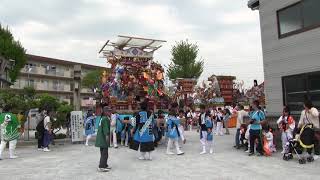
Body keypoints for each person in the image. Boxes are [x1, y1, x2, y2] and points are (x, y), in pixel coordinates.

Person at [95, 106, 112, 172]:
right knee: (105, 154)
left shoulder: (102, 118)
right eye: (109, 111)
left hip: (100, 138)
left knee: (103, 153)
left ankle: (104, 165)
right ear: (105, 112)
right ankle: (101, 166)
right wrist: (107, 139)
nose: (110, 112)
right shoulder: (105, 119)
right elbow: (106, 130)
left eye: (110, 111)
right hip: (104, 138)